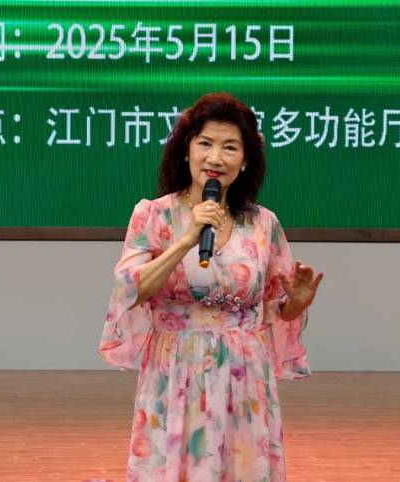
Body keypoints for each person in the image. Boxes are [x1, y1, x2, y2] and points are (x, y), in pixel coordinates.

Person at [98, 92, 323, 482]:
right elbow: (131, 289)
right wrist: (187, 239)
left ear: (245, 160)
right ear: (186, 150)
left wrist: (297, 303)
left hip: (244, 374)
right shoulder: (154, 215)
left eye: (230, 147)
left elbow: (275, 306)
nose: (215, 157)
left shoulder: (263, 224)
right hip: (177, 371)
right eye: (205, 143)